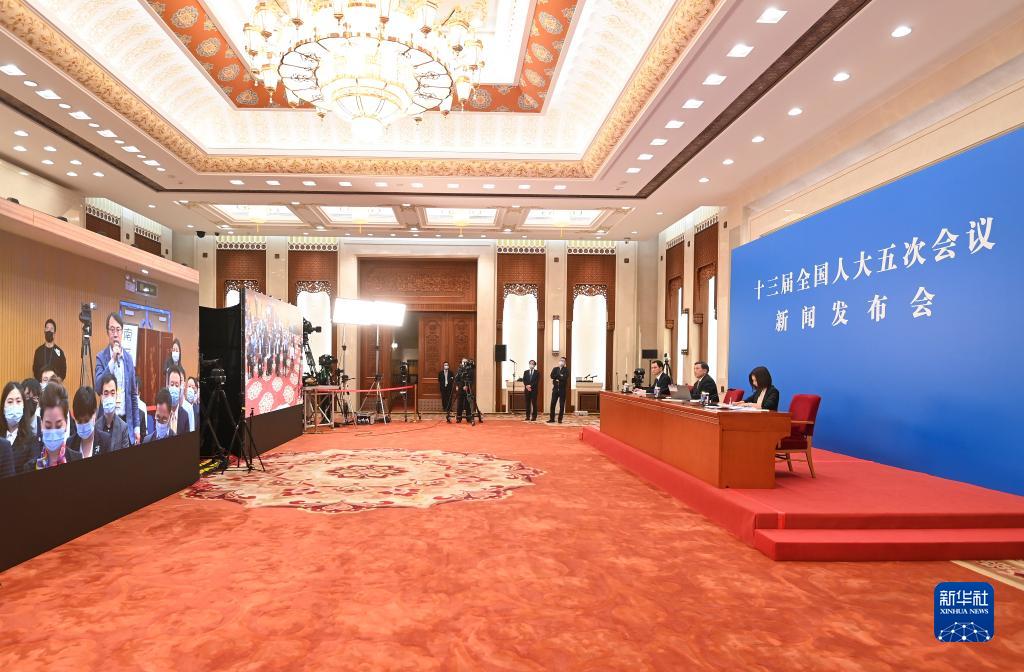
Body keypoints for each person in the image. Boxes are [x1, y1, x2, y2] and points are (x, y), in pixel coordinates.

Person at [95, 312, 141, 445]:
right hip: (106, 421)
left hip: (125, 422)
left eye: (118, 330)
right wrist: (112, 360)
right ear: (107, 332)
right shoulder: (101, 357)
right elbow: (98, 387)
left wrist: (136, 427)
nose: (115, 334)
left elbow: (133, 395)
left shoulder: (128, 359)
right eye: (112, 330)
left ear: (122, 332)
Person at [34, 383, 81, 469]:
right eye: (48, 426)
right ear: (41, 424)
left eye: (58, 426)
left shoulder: (77, 458)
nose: (53, 432)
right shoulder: (31, 466)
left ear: (66, 423)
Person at [3, 382, 37, 475]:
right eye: (10, 402)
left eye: (18, 401)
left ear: (23, 406)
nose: (14, 406)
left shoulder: (31, 439)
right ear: (3, 406)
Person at [67, 386, 110, 459]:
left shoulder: (105, 441)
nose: (83, 425)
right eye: (79, 421)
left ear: (94, 413)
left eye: (86, 420)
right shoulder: (70, 443)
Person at [96, 373, 130, 453]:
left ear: (116, 396)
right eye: (106, 393)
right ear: (101, 397)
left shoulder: (123, 428)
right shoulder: (95, 427)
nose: (109, 397)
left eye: (112, 393)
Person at [32, 318, 67, 382]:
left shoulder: (59, 352)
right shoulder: (38, 351)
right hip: (41, 385)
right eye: (47, 328)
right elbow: (35, 370)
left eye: (51, 329)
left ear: (54, 333)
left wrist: (56, 382)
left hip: (54, 385)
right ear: (44, 331)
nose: (49, 330)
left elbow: (63, 373)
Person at [166, 365, 190, 436]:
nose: (174, 388)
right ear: (168, 386)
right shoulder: (162, 412)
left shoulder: (185, 415)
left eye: (177, 385)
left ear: (180, 388)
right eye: (172, 384)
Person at [547, 357, 569, 424]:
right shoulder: (555, 369)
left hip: (562, 390)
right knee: (552, 404)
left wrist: (557, 376)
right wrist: (560, 375)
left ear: (565, 363)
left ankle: (560, 419)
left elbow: (565, 378)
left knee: (561, 405)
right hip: (555, 389)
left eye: (563, 361)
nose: (561, 362)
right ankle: (552, 419)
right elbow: (552, 376)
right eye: (561, 360)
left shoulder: (566, 369)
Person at [455, 358, 474, 423]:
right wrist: (459, 386)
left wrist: (467, 386)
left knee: (468, 403)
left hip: (468, 389)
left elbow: (472, 380)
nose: (465, 363)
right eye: (463, 362)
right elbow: (457, 380)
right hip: (461, 389)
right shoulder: (459, 369)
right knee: (459, 403)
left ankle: (469, 418)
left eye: (466, 362)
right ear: (461, 362)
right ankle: (458, 418)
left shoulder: (470, 370)